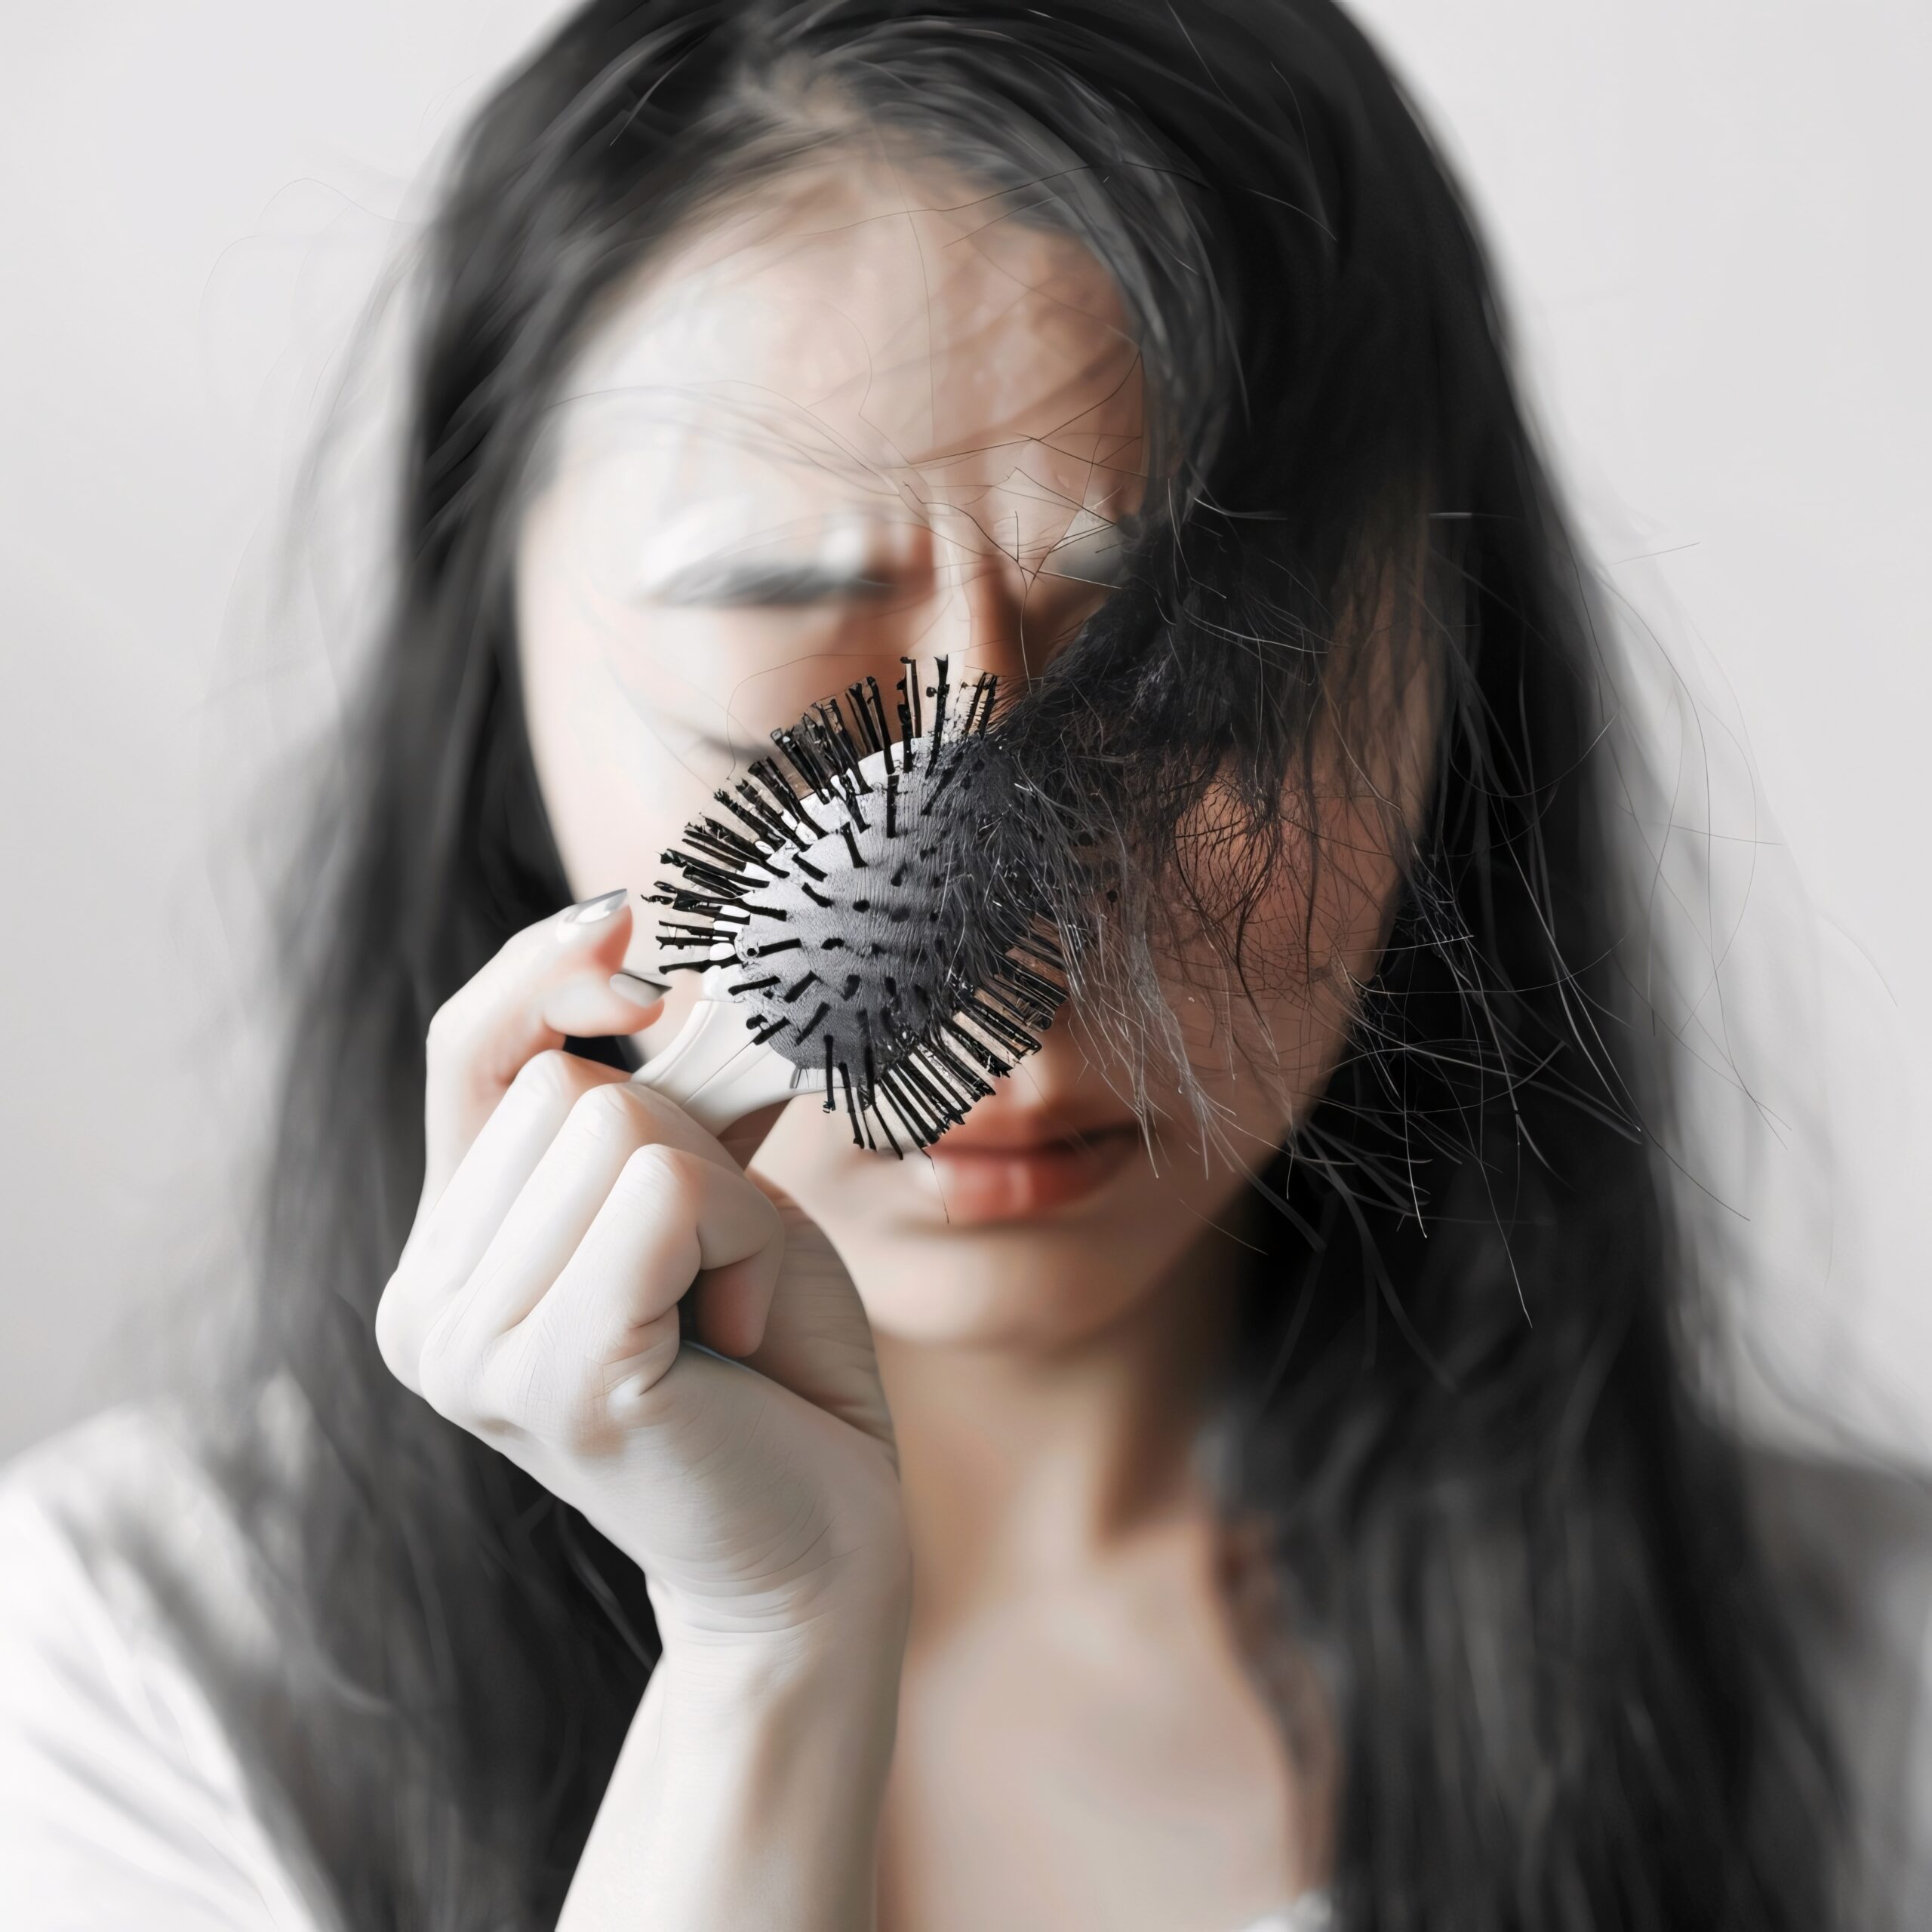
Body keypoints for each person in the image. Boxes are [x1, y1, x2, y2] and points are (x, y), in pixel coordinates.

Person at [2, 2, 1923, 1927]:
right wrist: (764, 1663)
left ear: (1456, 684)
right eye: (789, 657)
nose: (1012, 949)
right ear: (499, 699)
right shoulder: (147, 1682)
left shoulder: (1877, 1709)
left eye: (1181, 682)